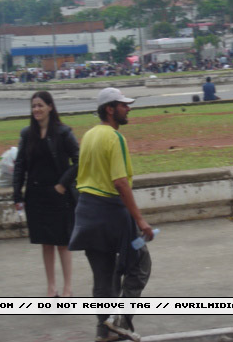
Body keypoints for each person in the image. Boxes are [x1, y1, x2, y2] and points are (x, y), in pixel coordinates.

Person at [69, 87, 153, 342]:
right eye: (123, 105)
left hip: (86, 213)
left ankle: (103, 331)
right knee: (140, 263)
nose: (128, 108)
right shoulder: (114, 138)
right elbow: (120, 182)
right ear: (110, 109)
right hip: (110, 214)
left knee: (103, 274)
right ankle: (121, 322)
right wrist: (139, 219)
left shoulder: (89, 135)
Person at [13, 91, 80, 297]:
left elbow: (80, 161)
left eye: (41, 105)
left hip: (58, 194)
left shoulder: (63, 132)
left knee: (62, 242)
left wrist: (62, 185)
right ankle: (51, 288)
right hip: (36, 195)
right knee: (46, 242)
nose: (37, 110)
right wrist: (17, 194)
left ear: (50, 107)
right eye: (34, 106)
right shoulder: (27, 134)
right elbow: (20, 167)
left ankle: (68, 287)